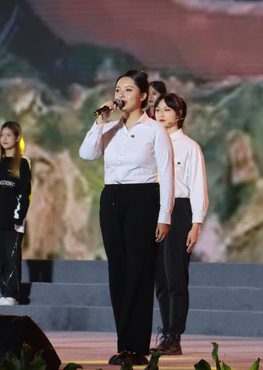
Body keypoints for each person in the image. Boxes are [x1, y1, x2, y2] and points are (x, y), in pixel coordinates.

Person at [79, 70, 174, 366]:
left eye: (128, 89)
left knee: (139, 272)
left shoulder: (155, 130)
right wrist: (100, 121)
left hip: (143, 199)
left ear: (143, 96)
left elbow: (167, 175)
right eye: (118, 89)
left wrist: (165, 216)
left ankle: (137, 347)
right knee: (118, 272)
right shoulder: (109, 129)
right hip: (111, 199)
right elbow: (86, 154)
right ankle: (124, 346)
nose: (121, 94)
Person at [152, 93, 208, 355]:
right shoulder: (151, 143)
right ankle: (166, 333)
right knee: (160, 281)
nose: (161, 114)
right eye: (157, 109)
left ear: (180, 114)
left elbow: (198, 187)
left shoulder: (189, 146)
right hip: (154, 210)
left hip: (179, 211)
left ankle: (175, 335)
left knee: (175, 277)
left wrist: (196, 224)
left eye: (167, 109)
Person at [0, 121, 31, 307]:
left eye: (9, 135)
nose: (4, 139)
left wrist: (19, 217)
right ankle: (4, 293)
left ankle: (13, 295)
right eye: (2, 135)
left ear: (17, 138)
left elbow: (24, 193)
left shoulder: (23, 163)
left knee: (12, 258)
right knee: (1, 259)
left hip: (13, 220)